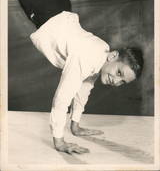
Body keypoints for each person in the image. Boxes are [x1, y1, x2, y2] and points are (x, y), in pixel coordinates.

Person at [30, 11, 144, 154]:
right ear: (113, 56)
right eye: (119, 73)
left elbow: (83, 88)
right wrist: (59, 141)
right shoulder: (88, 57)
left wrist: (75, 125)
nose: (115, 81)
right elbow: (62, 98)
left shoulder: (102, 53)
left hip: (57, 8)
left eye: (122, 82)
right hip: (47, 5)